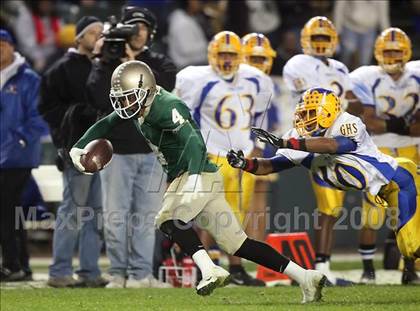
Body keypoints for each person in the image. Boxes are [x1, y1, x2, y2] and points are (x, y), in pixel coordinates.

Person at [70, 60, 326, 303]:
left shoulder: (167, 105)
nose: (125, 103)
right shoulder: (140, 105)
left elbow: (193, 142)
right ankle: (305, 276)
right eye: (121, 98)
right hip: (201, 175)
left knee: (167, 219)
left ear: (146, 89)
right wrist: (78, 147)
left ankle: (210, 270)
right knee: (238, 244)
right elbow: (108, 122)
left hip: (196, 171)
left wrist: (192, 179)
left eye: (128, 96)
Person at [228, 87, 419, 264]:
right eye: (302, 114)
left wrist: (288, 143)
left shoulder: (348, 122)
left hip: (397, 181)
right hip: (372, 186)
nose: (304, 119)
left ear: (327, 113)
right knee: (409, 251)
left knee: (411, 248)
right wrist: (244, 163)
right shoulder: (297, 136)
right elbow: (270, 166)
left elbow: (333, 146)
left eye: (310, 113)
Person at [86, 6, 176, 289]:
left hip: (151, 151)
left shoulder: (159, 61)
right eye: (132, 26)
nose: (138, 32)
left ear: (151, 32)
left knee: (147, 218)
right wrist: (104, 60)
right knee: (115, 217)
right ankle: (117, 273)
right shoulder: (108, 61)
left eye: (143, 27)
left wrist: (135, 64)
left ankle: (140, 274)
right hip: (117, 151)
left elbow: (165, 88)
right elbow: (96, 95)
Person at [174, 30, 272, 286]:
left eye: (231, 54)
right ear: (212, 55)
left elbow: (260, 117)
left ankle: (236, 268)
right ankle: (206, 267)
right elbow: (184, 116)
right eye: (223, 54)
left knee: (236, 215)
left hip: (243, 156)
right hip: (212, 155)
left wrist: (258, 145)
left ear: (240, 56)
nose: (227, 60)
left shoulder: (256, 79)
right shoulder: (197, 78)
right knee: (208, 214)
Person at [282, 16, 362, 286]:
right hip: (313, 138)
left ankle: (321, 264)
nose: (319, 44)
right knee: (328, 206)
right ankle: (320, 265)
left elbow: (348, 100)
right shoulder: (298, 64)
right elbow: (313, 102)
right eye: (315, 38)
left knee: (333, 207)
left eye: (324, 39)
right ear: (306, 40)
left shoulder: (339, 67)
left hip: (337, 139)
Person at [39, 16, 107, 288]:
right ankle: (59, 271)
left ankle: (90, 271)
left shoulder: (104, 66)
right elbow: (47, 109)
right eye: (93, 32)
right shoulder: (61, 69)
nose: (98, 37)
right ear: (79, 38)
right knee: (72, 210)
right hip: (76, 148)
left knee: (96, 213)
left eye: (101, 32)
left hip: (102, 149)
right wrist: (71, 125)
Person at [350, 27, 420, 284]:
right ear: (378, 52)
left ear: (407, 53)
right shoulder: (365, 77)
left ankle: (409, 269)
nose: (391, 56)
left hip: (410, 151)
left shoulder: (416, 75)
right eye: (387, 51)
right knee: (372, 215)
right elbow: (371, 122)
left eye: (396, 51)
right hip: (377, 151)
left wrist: (390, 125)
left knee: (410, 215)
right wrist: (403, 125)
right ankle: (368, 270)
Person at [0, 29, 46, 281]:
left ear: (12, 47)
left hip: (18, 156)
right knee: (9, 211)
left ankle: (13, 264)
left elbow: (40, 119)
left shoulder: (28, 79)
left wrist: (17, 138)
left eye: (2, 44)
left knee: (7, 210)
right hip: (2, 156)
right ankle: (19, 265)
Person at [241, 32, 278, 241]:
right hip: (236, 147)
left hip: (259, 147)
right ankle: (222, 250)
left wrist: (258, 146)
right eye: (253, 58)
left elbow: (269, 122)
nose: (257, 64)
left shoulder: (266, 84)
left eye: (260, 58)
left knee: (258, 202)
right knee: (232, 202)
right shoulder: (234, 81)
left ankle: (257, 247)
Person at [334, 0, 390, 69]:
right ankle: (341, 75)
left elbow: (383, 15)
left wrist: (388, 36)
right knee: (347, 53)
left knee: (365, 61)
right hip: (349, 26)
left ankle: (362, 79)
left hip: (369, 29)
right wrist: (337, 32)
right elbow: (339, 8)